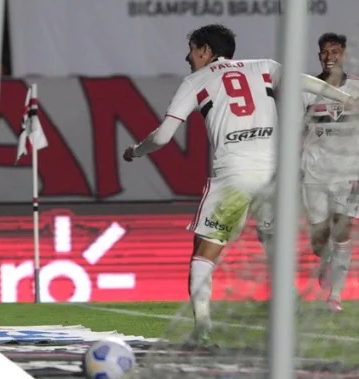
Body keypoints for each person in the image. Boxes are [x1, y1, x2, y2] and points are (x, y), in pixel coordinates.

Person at [122, 24, 357, 346]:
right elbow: (305, 82)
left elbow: (162, 137)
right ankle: (289, 297)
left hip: (235, 175)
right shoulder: (264, 67)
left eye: (191, 49)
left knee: (204, 252)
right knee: (270, 236)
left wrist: (135, 152)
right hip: (276, 174)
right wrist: (343, 97)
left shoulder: (196, 80)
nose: (187, 57)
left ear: (205, 50)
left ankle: (202, 330)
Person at [301, 32, 359, 312]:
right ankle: (325, 262)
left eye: (335, 52)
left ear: (344, 54)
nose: (329, 57)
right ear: (318, 55)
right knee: (319, 238)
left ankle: (335, 296)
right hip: (313, 171)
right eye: (324, 52)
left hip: (348, 172)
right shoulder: (307, 89)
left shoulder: (358, 87)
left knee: (342, 230)